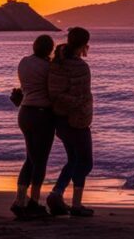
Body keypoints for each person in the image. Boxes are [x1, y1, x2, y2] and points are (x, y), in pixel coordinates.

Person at [46, 27, 94, 217]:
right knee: (85, 162)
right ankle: (74, 204)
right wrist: (81, 105)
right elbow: (80, 95)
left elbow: (55, 92)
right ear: (84, 44)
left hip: (60, 118)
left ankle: (57, 193)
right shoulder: (79, 66)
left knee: (74, 159)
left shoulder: (56, 62)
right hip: (77, 120)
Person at [12, 34, 56, 219]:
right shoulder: (50, 68)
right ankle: (34, 202)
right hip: (42, 114)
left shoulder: (24, 62)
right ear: (50, 49)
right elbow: (53, 90)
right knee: (40, 160)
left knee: (31, 158)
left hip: (25, 112)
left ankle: (20, 200)